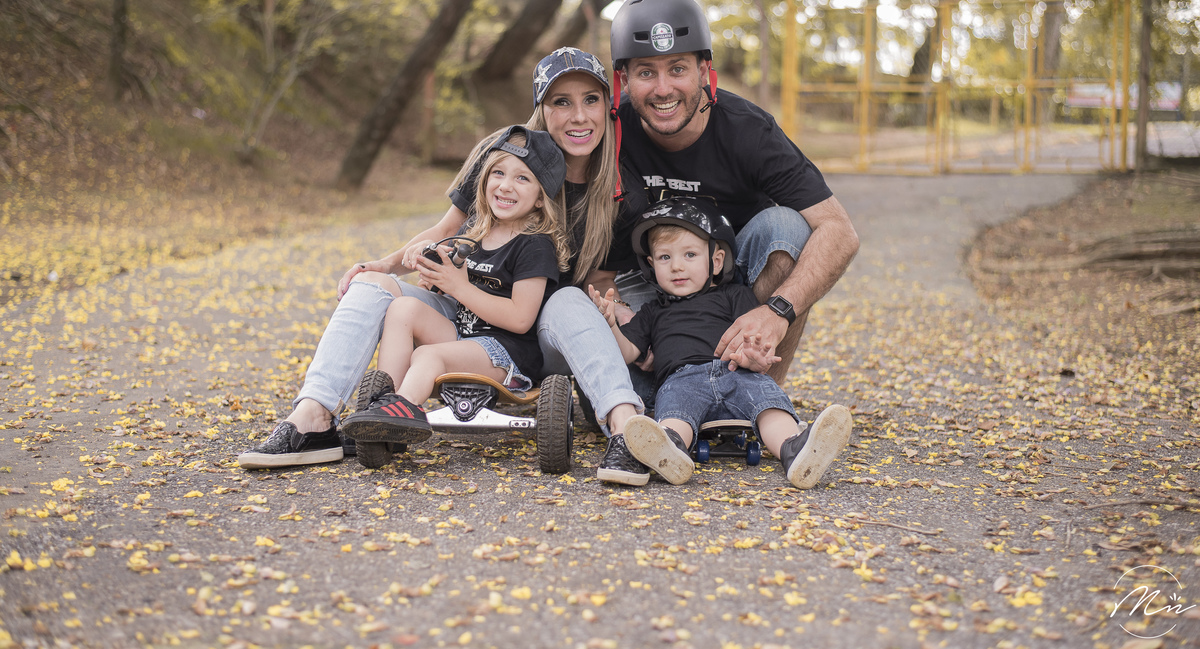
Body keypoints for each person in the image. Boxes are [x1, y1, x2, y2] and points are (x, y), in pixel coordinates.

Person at [237, 48, 653, 481]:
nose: (578, 116)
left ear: (609, 108)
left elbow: (600, 280)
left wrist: (615, 312)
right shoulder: (501, 154)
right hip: (469, 318)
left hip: (536, 338)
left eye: (590, 100)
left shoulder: (620, 190)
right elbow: (446, 229)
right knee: (373, 286)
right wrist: (385, 265)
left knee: (566, 298)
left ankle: (625, 430)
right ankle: (318, 419)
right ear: (541, 109)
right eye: (561, 102)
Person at [605, 0, 860, 388]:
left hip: (730, 286)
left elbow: (840, 231)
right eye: (645, 72)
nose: (662, 89)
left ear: (704, 72)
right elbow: (528, 153)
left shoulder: (749, 131)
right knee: (634, 404)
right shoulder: (607, 126)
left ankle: (758, 399)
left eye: (677, 69)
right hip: (644, 282)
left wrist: (777, 311)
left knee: (788, 228)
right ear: (624, 79)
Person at [337, 127, 570, 468]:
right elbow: (444, 268)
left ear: (539, 197)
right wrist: (426, 260)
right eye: (498, 173)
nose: (506, 185)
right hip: (466, 335)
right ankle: (385, 403)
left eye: (522, 179)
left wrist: (460, 287)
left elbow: (521, 318)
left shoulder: (535, 244)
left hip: (506, 352)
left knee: (430, 355)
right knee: (403, 308)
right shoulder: (476, 231)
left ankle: (400, 406)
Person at [589, 198, 852, 487]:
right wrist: (611, 324)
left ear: (715, 261)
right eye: (665, 258)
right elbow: (627, 352)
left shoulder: (735, 296)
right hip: (682, 378)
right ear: (651, 265)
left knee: (767, 403)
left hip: (736, 372)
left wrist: (756, 357)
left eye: (689, 254)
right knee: (676, 412)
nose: (676, 266)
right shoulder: (652, 311)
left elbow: (755, 340)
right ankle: (669, 449)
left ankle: (795, 449)